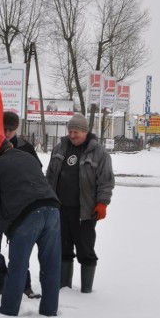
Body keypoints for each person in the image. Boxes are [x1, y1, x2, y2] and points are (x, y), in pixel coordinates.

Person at [0, 140, 61, 316]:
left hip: (27, 215)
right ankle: (50, 311)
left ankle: (9, 312)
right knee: (51, 265)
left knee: (18, 266)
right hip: (52, 209)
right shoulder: (29, 157)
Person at [46, 113, 114, 293]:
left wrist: (102, 203)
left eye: (76, 132)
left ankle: (86, 290)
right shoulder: (60, 148)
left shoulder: (98, 152)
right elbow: (50, 176)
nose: (72, 135)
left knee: (85, 249)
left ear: (85, 132)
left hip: (85, 212)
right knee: (63, 248)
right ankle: (63, 287)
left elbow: (106, 181)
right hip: (60, 209)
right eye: (70, 131)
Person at [0, 111, 41, 298]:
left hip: (19, 207)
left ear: (17, 128)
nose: (7, 133)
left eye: (11, 129)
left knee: (21, 247)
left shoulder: (26, 148)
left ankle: (24, 284)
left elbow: (36, 172)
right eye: (4, 129)